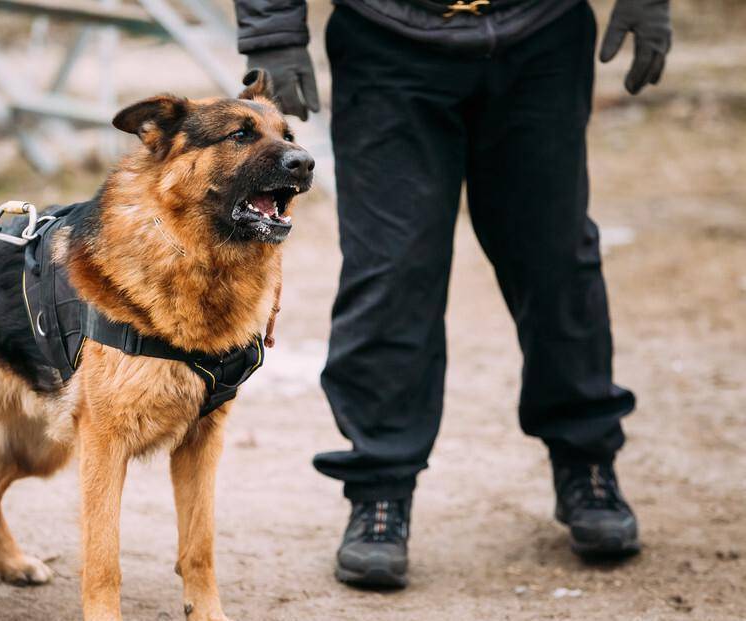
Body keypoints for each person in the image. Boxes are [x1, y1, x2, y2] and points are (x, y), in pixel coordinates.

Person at [235, 0, 671, 589]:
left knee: (555, 258)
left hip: (541, 32)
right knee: (391, 269)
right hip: (387, 39)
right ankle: (380, 491)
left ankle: (586, 463)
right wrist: (273, 31)